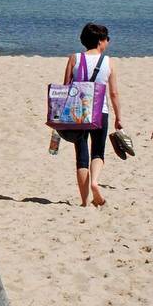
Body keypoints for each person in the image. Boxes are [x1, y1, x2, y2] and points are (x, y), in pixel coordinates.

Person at [60, 22, 123, 208]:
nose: (108, 42)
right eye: (106, 39)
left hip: (77, 111)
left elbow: (66, 87)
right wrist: (119, 116)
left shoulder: (74, 58)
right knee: (98, 151)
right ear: (100, 41)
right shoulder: (108, 62)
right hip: (100, 111)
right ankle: (95, 182)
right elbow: (113, 93)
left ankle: (84, 201)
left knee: (81, 155)